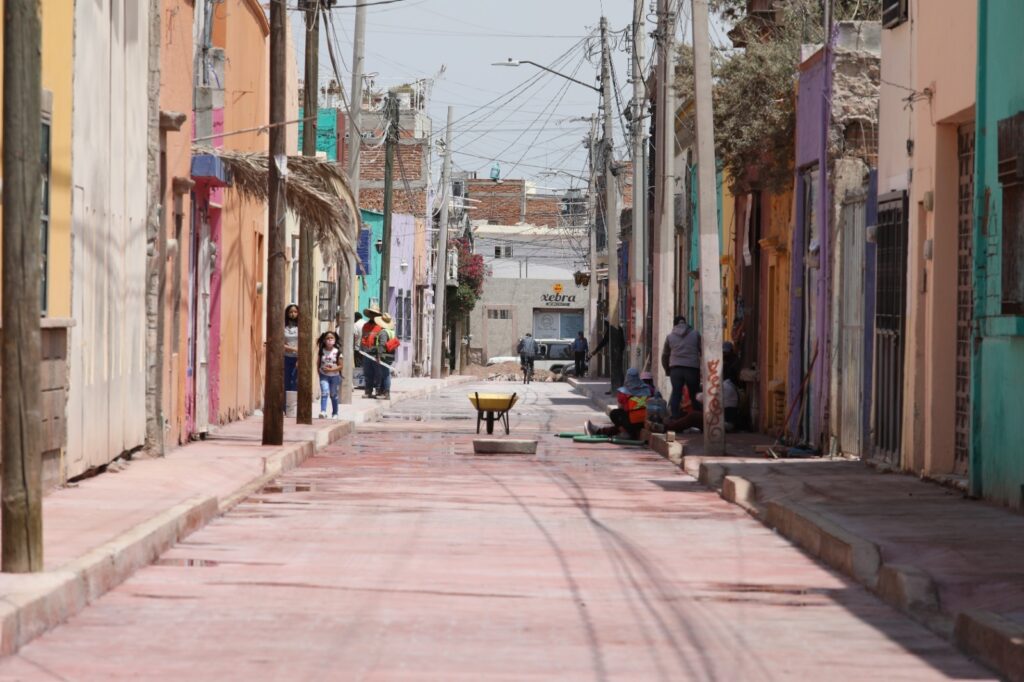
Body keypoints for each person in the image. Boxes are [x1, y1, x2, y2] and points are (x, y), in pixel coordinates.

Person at [584, 368, 652, 440]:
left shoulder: (624, 391)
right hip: (643, 423)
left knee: (614, 413)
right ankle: (599, 431)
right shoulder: (647, 389)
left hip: (632, 423)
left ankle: (624, 433)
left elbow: (620, 408)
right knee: (621, 426)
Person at [662, 315, 702, 419]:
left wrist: (667, 369)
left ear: (674, 324)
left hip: (675, 369)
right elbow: (702, 350)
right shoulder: (695, 334)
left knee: (676, 393)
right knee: (694, 394)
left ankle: (675, 417)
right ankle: (698, 417)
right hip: (692, 368)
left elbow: (665, 355)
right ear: (685, 323)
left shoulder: (670, 336)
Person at [317, 331, 342, 419]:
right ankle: (323, 411)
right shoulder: (321, 351)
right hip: (324, 376)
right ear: (324, 340)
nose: (329, 340)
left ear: (335, 340)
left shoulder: (337, 352)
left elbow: (340, 366)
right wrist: (319, 373)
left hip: (335, 376)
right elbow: (318, 363)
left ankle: (335, 413)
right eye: (327, 338)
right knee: (324, 392)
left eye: (331, 338)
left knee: (333, 395)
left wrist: (331, 370)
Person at [360, 306, 382, 399]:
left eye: (375, 314)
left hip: (376, 353)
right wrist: (362, 349)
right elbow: (363, 337)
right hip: (366, 352)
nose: (373, 316)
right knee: (368, 373)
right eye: (372, 314)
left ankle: (378, 390)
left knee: (378, 373)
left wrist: (379, 353)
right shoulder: (365, 326)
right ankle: (368, 391)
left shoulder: (380, 327)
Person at [373, 313, 397, 400]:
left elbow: (382, 344)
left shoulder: (383, 332)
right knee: (385, 373)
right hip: (390, 355)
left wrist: (378, 356)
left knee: (385, 374)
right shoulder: (391, 331)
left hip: (384, 356)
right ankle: (384, 392)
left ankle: (386, 393)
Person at [283, 304, 300, 412]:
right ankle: (286, 406)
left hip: (298, 358)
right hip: (286, 357)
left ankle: (293, 407)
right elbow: (280, 342)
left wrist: (298, 352)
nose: (293, 314)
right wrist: (290, 348)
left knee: (295, 382)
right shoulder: (284, 327)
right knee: (286, 382)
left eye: (295, 312)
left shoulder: (301, 326)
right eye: (290, 312)